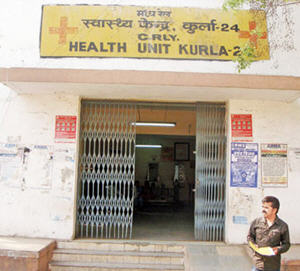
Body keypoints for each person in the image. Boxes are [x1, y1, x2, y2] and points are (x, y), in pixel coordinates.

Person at [247, 196, 290, 271]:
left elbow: (286, 244)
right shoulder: (256, 222)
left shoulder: (283, 226)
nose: (263, 210)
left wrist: (278, 249)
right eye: (263, 207)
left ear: (274, 210)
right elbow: (250, 237)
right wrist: (254, 245)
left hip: (273, 265)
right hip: (258, 264)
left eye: (266, 208)